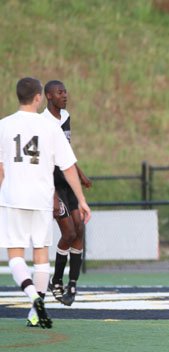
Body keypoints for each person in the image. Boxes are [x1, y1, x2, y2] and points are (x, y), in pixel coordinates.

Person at [0, 77, 91, 329]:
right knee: (41, 256)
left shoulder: (3, 126)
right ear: (39, 97)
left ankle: (32, 299)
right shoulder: (49, 127)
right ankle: (36, 310)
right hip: (41, 198)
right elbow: (69, 166)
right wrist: (81, 200)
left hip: (12, 198)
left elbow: (0, 169)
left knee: (16, 256)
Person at [42, 80, 92, 306]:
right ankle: (55, 280)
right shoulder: (43, 123)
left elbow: (66, 150)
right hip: (52, 184)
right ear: (48, 97)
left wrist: (78, 172)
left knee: (80, 227)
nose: (65, 95)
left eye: (65, 91)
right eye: (59, 92)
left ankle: (72, 284)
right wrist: (51, 194)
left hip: (67, 181)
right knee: (69, 232)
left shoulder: (65, 116)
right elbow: (44, 160)